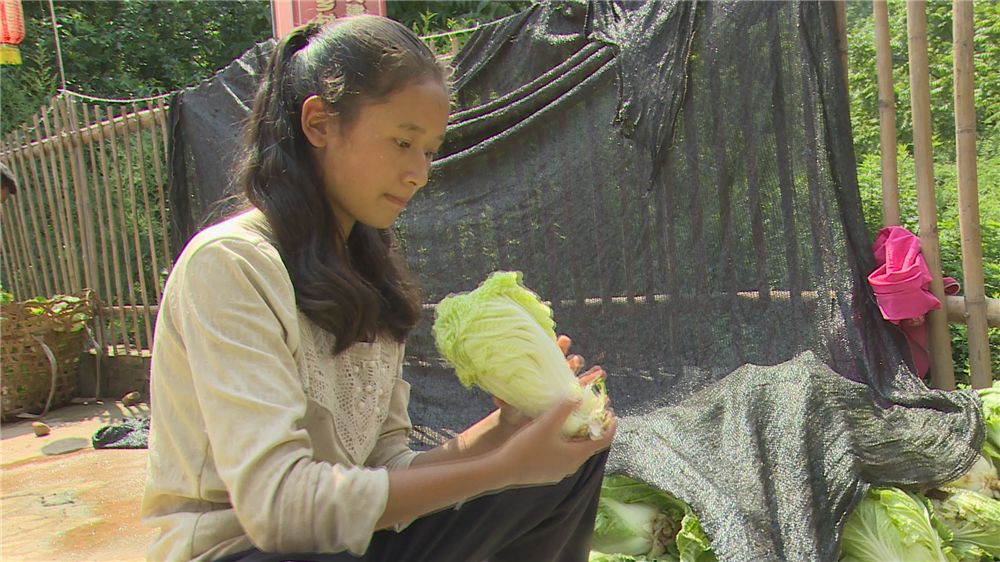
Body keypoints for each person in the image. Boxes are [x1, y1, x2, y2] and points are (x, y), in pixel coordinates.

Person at [142, 16, 616, 562]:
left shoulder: (368, 271)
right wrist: (503, 468)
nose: (418, 172)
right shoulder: (230, 265)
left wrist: (505, 431)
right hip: (245, 552)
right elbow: (279, 510)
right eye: (402, 141)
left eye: (430, 150)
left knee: (570, 464)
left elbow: (385, 467)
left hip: (344, 544)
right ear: (319, 124)